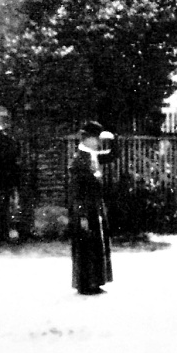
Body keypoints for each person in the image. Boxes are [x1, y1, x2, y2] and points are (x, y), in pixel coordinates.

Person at [69, 121, 114, 295]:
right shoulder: (79, 160)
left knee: (95, 245)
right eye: (96, 138)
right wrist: (81, 215)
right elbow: (76, 192)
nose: (98, 142)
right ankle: (85, 284)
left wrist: (113, 139)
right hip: (85, 209)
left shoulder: (91, 155)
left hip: (94, 207)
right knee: (85, 246)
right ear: (87, 139)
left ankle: (95, 282)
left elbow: (112, 155)